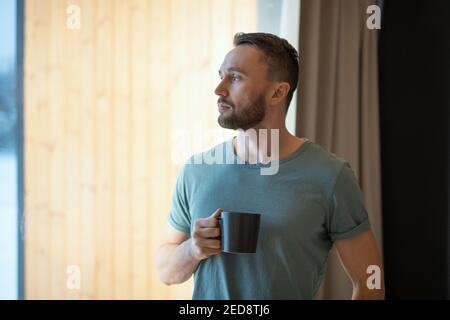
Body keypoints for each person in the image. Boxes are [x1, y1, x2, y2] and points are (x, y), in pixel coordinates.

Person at [156, 32, 384, 300]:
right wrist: (193, 249)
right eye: (221, 76)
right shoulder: (196, 171)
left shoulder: (330, 176)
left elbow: (370, 283)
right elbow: (166, 271)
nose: (219, 90)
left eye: (236, 77)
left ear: (278, 92)